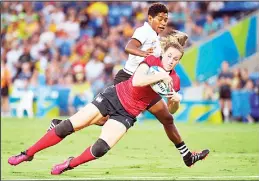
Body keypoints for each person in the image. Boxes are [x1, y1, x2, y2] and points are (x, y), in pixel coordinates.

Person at [8, 35, 209, 175]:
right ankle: (27, 154)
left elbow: (172, 111)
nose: (171, 61)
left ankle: (69, 164)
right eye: (169, 57)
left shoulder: (174, 80)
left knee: (101, 149)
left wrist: (174, 101)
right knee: (68, 126)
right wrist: (159, 75)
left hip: (128, 114)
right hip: (113, 96)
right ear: (163, 54)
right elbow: (138, 81)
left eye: (176, 59)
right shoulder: (151, 61)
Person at [49, 2, 201, 167]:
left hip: (145, 84)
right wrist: (144, 55)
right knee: (104, 119)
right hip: (130, 80)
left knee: (166, 118)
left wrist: (177, 43)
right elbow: (129, 47)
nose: (164, 22)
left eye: (166, 19)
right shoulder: (143, 32)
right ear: (150, 18)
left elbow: (163, 55)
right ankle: (60, 125)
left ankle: (186, 155)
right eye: (161, 19)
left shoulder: (155, 38)